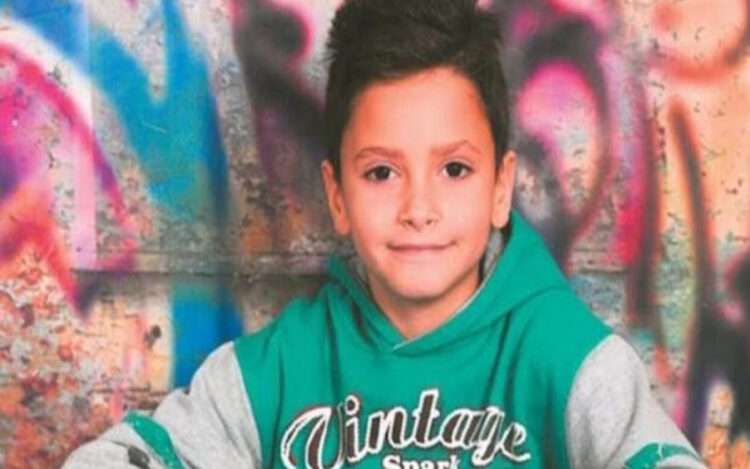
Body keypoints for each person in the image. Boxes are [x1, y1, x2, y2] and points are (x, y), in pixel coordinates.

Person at [64, 0, 707, 467]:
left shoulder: (568, 359)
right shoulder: (281, 368)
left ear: (501, 188)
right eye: (381, 173)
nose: (418, 209)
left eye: (454, 169)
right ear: (337, 196)